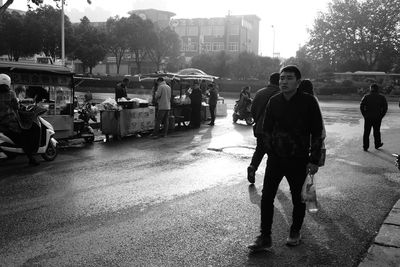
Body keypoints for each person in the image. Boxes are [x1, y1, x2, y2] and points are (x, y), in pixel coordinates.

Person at [248, 66, 324, 251]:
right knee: (267, 197)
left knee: (298, 199)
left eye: (289, 78)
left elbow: (317, 132)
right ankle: (265, 236)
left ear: (298, 82)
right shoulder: (274, 101)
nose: (283, 81)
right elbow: (266, 130)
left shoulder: (308, 102)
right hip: (276, 159)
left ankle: (295, 231)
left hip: (298, 159)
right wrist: (270, 150)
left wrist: (313, 160)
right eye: (282, 78)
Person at [247, 72, 280, 184]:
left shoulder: (260, 92)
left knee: (260, 149)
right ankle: (270, 179)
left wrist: (258, 121)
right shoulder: (280, 94)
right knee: (273, 154)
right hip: (274, 131)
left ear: (269, 80)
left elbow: (253, 110)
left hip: (260, 128)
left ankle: (252, 167)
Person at [0, 74, 40, 166]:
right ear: (8, 83)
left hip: (1, 124)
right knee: (24, 137)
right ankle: (31, 159)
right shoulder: (11, 93)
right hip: (10, 124)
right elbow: (16, 106)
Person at [360, 83, 387, 151]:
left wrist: (365, 115)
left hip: (368, 117)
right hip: (377, 117)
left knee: (366, 132)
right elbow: (385, 108)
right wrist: (381, 115)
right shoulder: (382, 97)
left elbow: (361, 106)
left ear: (370, 89)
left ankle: (365, 146)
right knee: (377, 131)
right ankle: (377, 144)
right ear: (377, 89)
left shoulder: (366, 96)